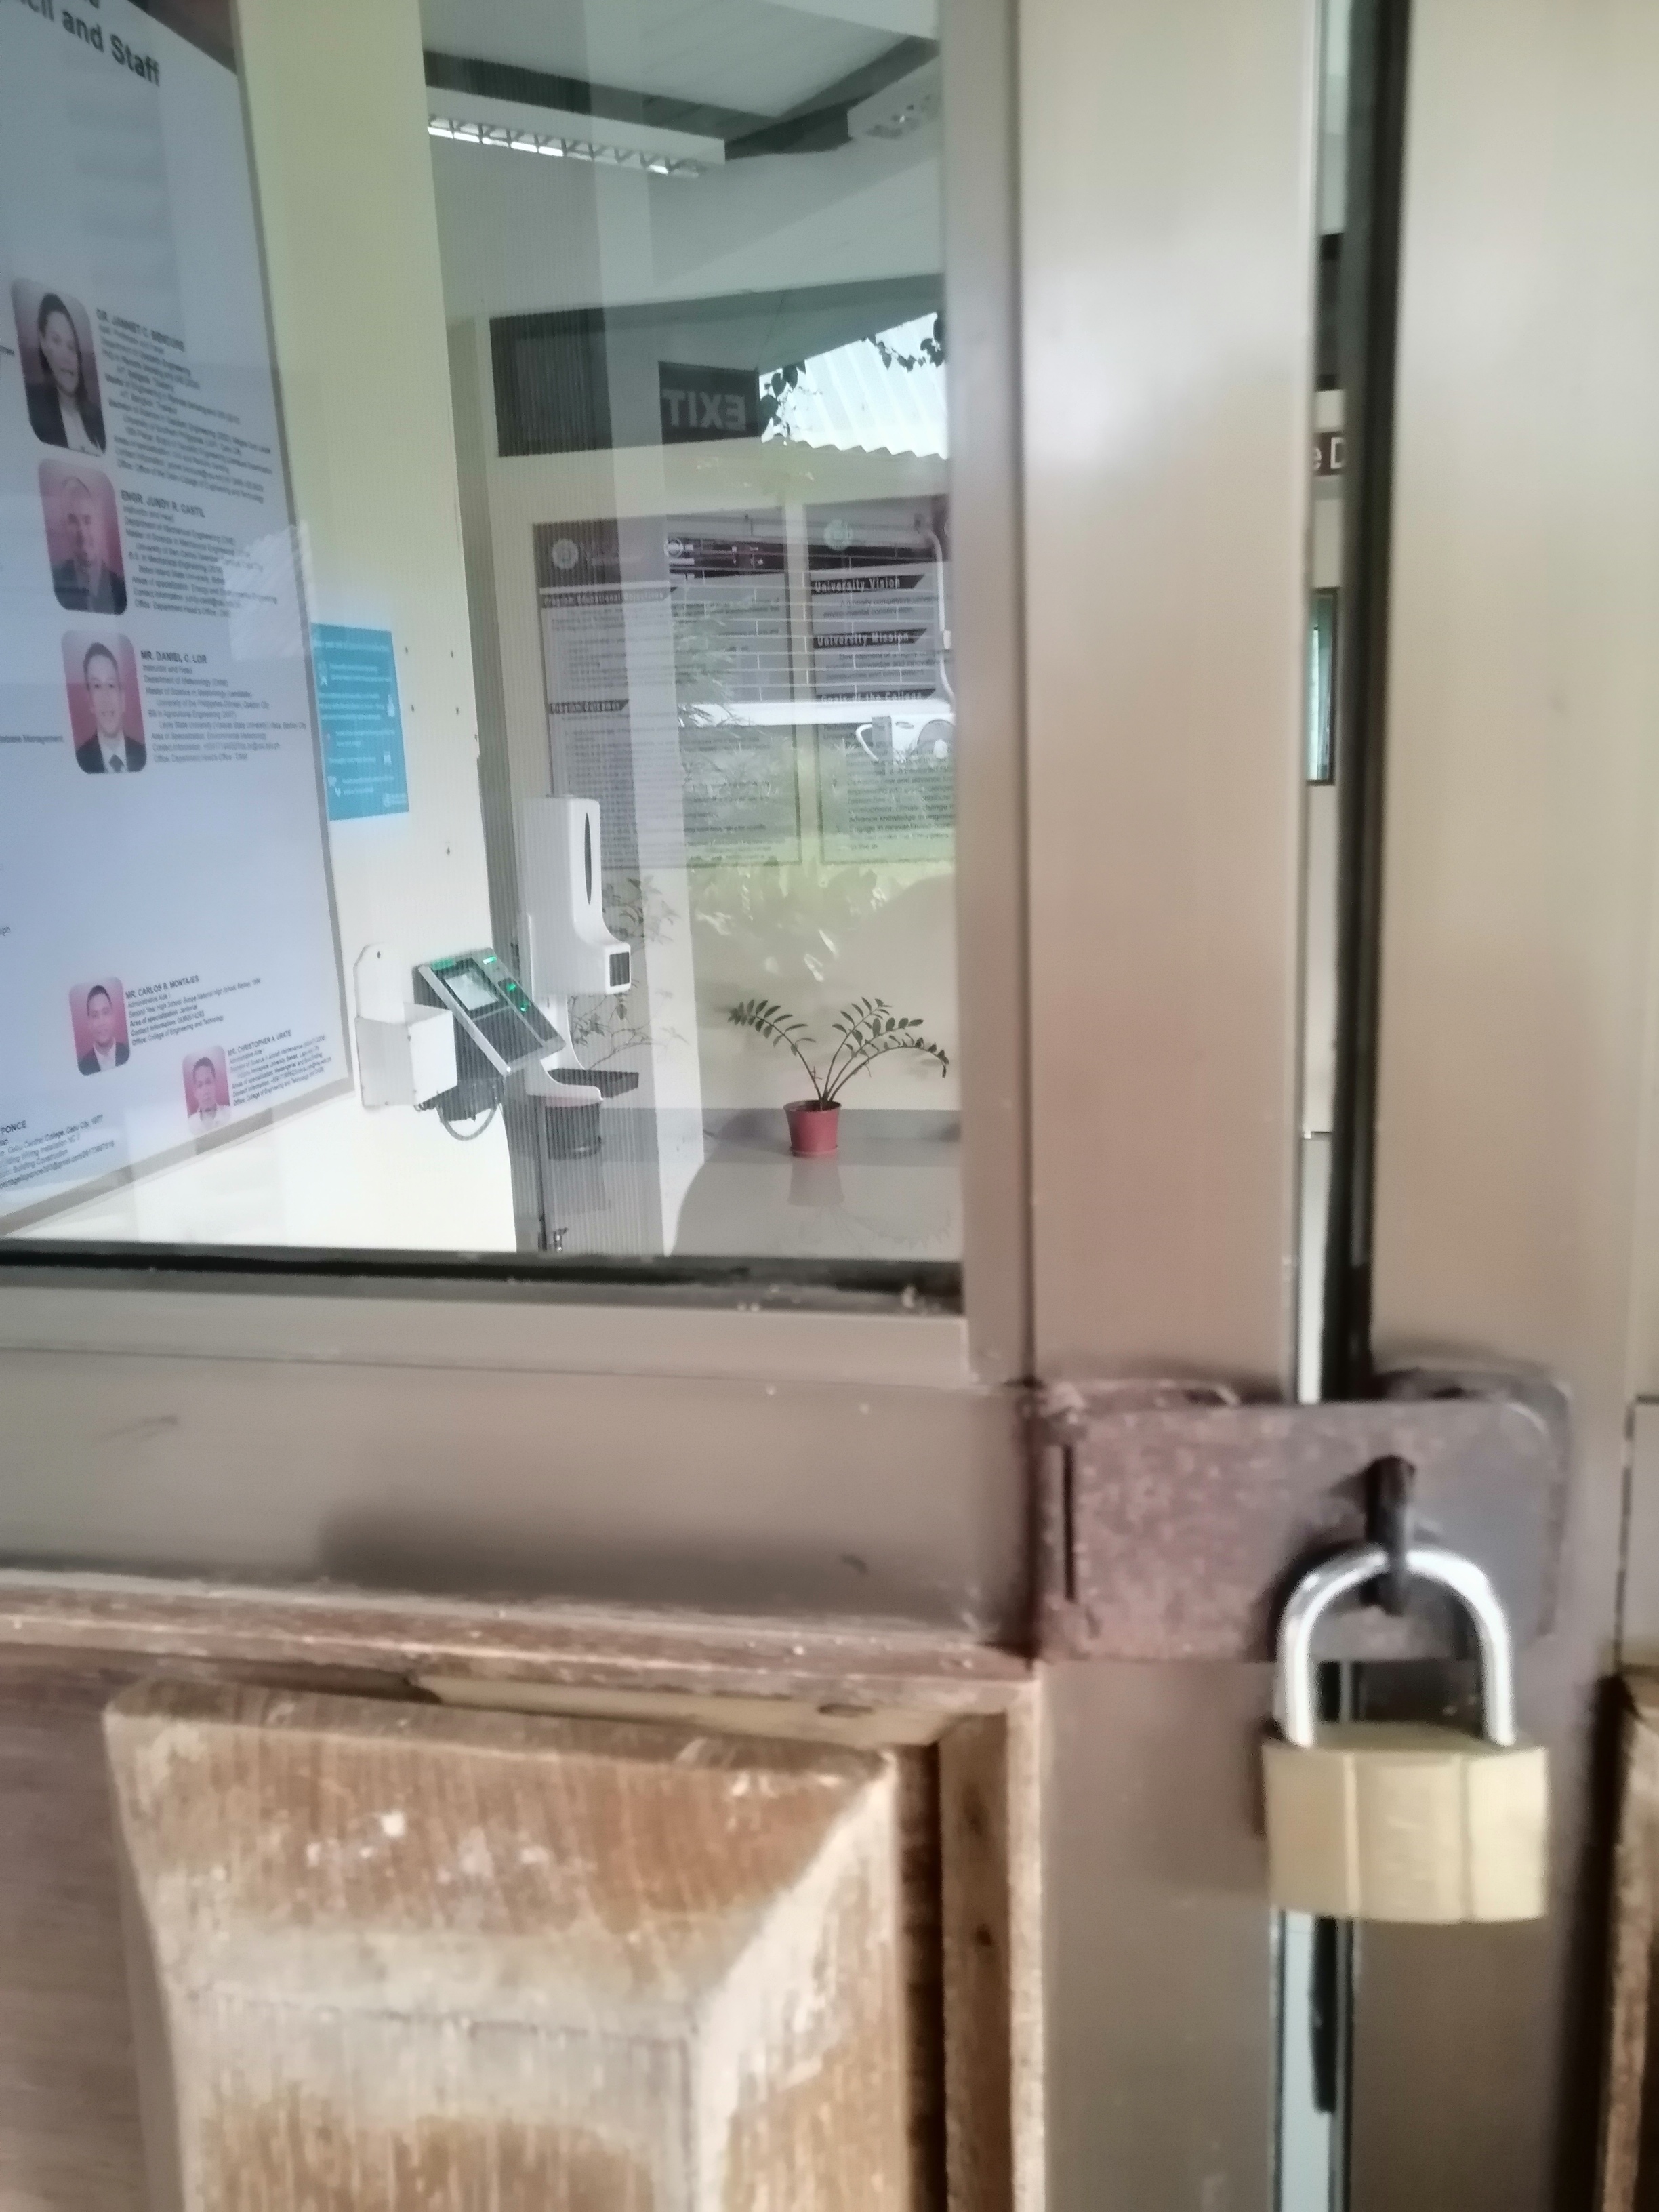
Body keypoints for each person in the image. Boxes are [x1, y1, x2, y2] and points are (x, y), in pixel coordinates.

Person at [27, 294, 106, 454]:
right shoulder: (32, 404)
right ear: (43, 342)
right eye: (56, 341)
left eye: (72, 347)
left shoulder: (97, 417)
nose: (67, 357)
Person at [51, 475, 125, 614]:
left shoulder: (120, 589)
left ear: (99, 523)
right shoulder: (53, 581)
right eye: (73, 521)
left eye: (88, 520)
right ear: (63, 526)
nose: (83, 534)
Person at [74, 642, 146, 774]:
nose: (106, 697)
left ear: (122, 699)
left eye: (111, 685)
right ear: (90, 701)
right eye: (97, 686)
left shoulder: (142, 755)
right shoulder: (80, 760)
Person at [77, 983, 129, 1075]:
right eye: (95, 1016)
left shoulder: (128, 1052)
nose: (101, 1022)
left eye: (106, 1012)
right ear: (89, 1023)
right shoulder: (83, 1067)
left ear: (113, 1016)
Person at [189, 1056, 222, 1126]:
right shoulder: (191, 1124)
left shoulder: (230, 1113)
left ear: (215, 1084)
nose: (205, 1091)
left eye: (208, 1082)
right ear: (195, 1092)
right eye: (200, 1085)